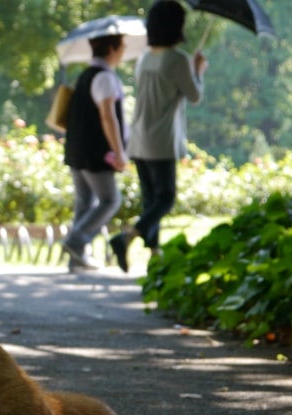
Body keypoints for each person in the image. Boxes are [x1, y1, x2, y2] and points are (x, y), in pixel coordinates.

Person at [109, 0, 209, 272]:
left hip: (139, 137)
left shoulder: (144, 58)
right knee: (165, 199)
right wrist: (198, 71)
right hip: (161, 140)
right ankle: (127, 238)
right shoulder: (177, 59)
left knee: (151, 201)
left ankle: (155, 256)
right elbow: (194, 96)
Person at [62, 33, 129, 271]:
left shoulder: (86, 75)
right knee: (110, 200)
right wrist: (119, 152)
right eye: (121, 46)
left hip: (77, 149)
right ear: (111, 49)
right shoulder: (105, 78)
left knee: (85, 203)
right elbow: (108, 116)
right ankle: (76, 241)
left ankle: (77, 258)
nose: (124, 51)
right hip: (95, 153)